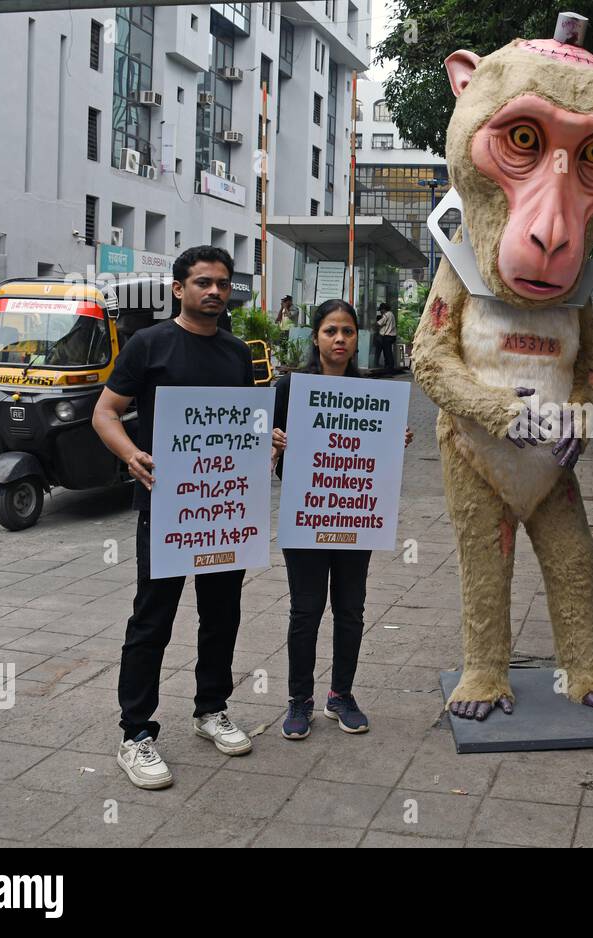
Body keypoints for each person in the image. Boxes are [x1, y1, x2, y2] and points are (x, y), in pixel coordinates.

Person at [93, 245, 283, 790]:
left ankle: (211, 709)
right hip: (167, 505)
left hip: (223, 508)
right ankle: (136, 734)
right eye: (203, 282)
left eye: (223, 283)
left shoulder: (236, 353)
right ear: (179, 288)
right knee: (152, 618)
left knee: (222, 613)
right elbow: (104, 413)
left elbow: (239, 422)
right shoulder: (149, 345)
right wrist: (131, 455)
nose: (215, 292)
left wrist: (262, 439)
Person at [274, 300, 413, 739]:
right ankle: (300, 701)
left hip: (354, 516)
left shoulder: (371, 391)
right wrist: (275, 441)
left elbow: (373, 460)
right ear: (315, 336)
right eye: (331, 330)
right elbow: (271, 458)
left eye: (348, 332)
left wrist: (394, 441)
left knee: (351, 611)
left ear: (358, 339)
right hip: (307, 514)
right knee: (306, 611)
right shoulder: (290, 388)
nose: (339, 339)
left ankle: (341, 695)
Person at [376, 302, 397, 372]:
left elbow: (379, 323)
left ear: (384, 309)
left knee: (387, 352)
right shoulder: (391, 314)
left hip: (387, 336)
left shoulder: (386, 315)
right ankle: (388, 366)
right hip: (393, 336)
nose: (380, 311)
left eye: (381, 310)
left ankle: (389, 367)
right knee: (388, 351)